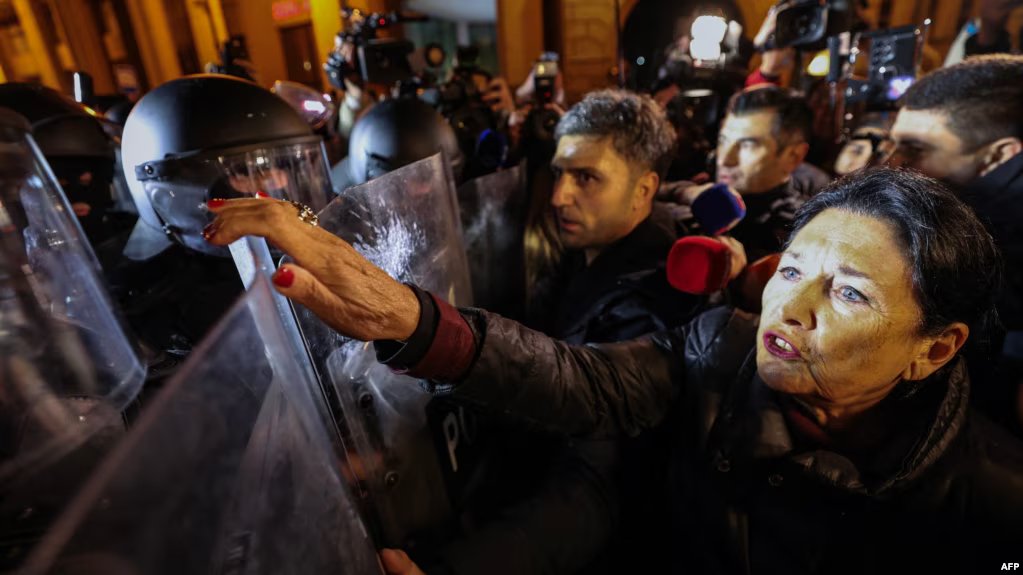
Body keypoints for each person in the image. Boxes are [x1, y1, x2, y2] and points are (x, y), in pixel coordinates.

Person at [205, 167, 1023, 573]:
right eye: (790, 270)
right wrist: (409, 319)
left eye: (846, 292)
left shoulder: (991, 501)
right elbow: (580, 383)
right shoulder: (719, 346)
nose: (791, 310)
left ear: (936, 346)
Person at [889, 54, 1023, 433]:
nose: (892, 163)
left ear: (1000, 154)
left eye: (916, 150)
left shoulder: (992, 243)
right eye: (894, 144)